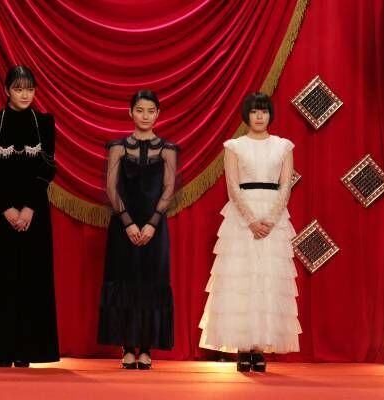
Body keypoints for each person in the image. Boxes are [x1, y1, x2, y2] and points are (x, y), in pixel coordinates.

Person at [198, 92, 301, 372]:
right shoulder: (234, 146)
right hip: (241, 218)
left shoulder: (283, 146)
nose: (259, 116)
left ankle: (259, 348)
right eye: (255, 111)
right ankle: (243, 348)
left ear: (270, 115)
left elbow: (285, 186)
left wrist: (270, 219)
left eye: (264, 111)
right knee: (241, 279)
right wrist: (252, 220)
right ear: (247, 115)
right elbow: (232, 186)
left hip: (274, 217)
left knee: (268, 278)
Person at [0, 65, 59, 368]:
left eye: (30, 89)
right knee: (0, 279)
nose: (25, 95)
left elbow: (47, 168)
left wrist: (28, 209)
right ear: (7, 90)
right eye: (18, 89)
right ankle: (0, 350)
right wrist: (8, 209)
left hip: (34, 213)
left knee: (31, 280)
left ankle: (28, 351)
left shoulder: (44, 123)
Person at [98, 90, 178, 370]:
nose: (145, 116)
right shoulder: (118, 147)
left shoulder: (168, 149)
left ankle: (146, 348)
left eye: (151, 111)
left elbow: (168, 189)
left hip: (155, 227)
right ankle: (128, 347)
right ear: (130, 112)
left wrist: (153, 223)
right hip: (123, 225)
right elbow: (111, 188)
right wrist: (128, 222)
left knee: (151, 282)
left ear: (158, 114)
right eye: (140, 110)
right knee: (125, 281)